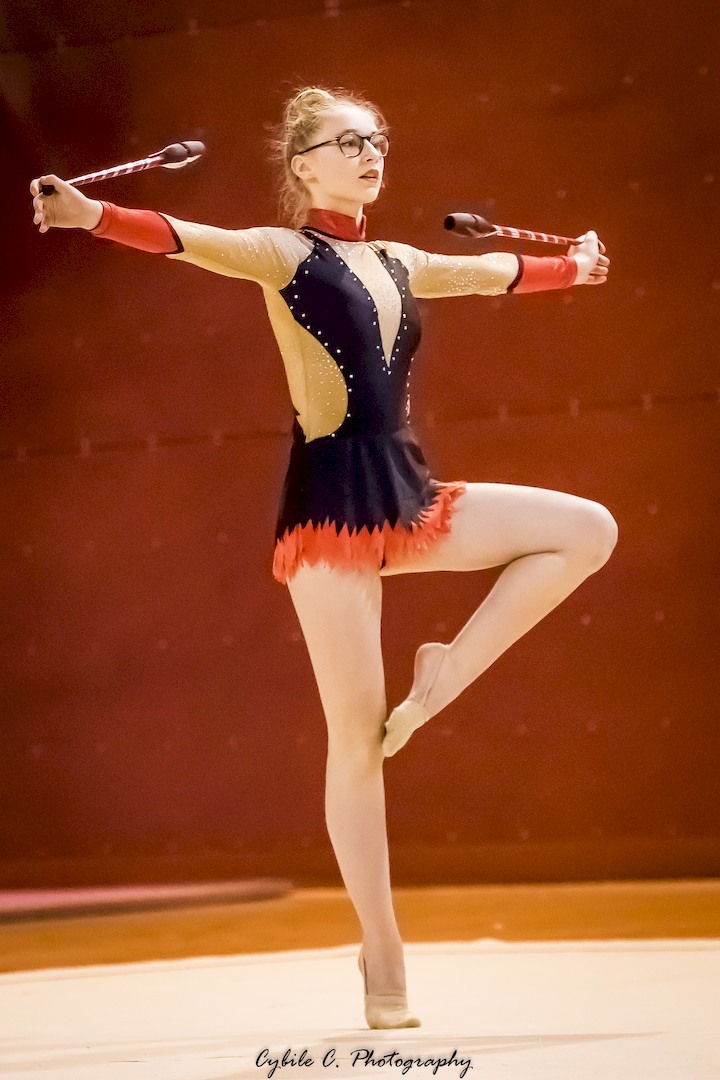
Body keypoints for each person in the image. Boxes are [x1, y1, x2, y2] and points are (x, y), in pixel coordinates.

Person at [30, 85, 615, 1029]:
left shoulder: (401, 260)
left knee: (586, 529)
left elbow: (492, 272)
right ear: (303, 165)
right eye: (348, 143)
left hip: (409, 494)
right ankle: (382, 954)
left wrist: (574, 267)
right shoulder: (282, 253)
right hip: (331, 514)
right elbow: (182, 237)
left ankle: (444, 676)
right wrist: (87, 212)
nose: (371, 154)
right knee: (358, 738)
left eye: (376, 140)